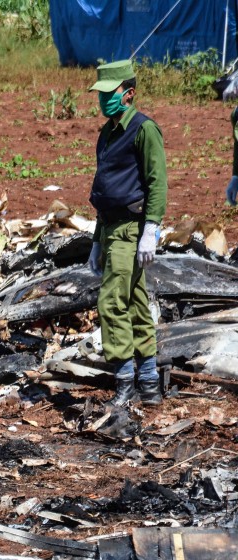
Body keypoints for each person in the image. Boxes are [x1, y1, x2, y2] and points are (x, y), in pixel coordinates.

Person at [87, 59, 167, 407]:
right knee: (134, 302)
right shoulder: (107, 132)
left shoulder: (143, 129)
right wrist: (95, 239)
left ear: (129, 93)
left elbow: (156, 182)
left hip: (130, 230)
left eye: (110, 93)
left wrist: (151, 229)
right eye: (100, 94)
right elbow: (105, 187)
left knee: (110, 302)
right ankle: (149, 382)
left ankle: (124, 381)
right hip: (110, 227)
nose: (103, 100)